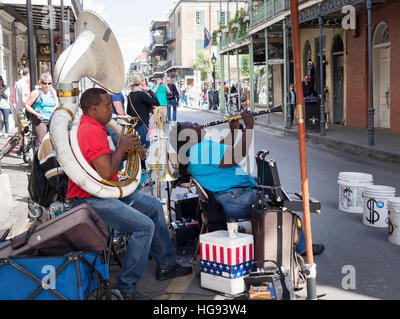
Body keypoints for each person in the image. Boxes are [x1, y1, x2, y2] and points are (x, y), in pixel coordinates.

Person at [67, 88, 192, 300]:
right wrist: (123, 147)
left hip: (104, 191)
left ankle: (167, 265)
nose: (111, 110)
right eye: (107, 106)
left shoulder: (94, 126)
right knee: (144, 226)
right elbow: (106, 171)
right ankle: (125, 289)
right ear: (93, 108)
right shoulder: (91, 130)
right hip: (91, 199)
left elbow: (104, 165)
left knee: (153, 207)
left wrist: (126, 152)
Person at [171, 113, 325, 257]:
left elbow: (223, 149)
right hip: (237, 199)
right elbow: (235, 156)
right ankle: (303, 248)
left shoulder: (195, 152)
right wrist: (249, 127)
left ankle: (291, 244)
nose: (196, 123)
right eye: (191, 124)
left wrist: (234, 132)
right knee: (283, 208)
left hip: (229, 200)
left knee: (273, 195)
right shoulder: (201, 149)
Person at [25, 73, 58, 152]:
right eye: (45, 83)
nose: (47, 85)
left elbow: (56, 103)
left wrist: (54, 110)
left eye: (49, 83)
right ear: (40, 83)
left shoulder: (52, 92)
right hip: (40, 120)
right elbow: (27, 105)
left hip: (51, 119)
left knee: (52, 142)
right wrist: (36, 114)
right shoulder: (36, 93)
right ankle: (37, 163)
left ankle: (50, 162)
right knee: (40, 142)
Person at [127, 72, 160, 150]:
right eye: (144, 80)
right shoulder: (142, 94)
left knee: (137, 150)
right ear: (142, 82)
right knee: (143, 150)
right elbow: (156, 102)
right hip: (142, 126)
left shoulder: (130, 95)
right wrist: (149, 90)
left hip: (134, 126)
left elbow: (129, 112)